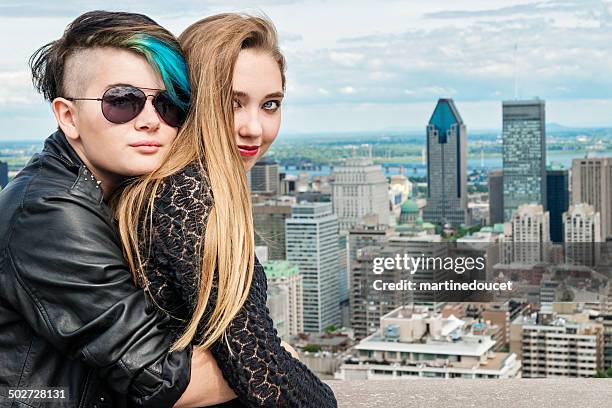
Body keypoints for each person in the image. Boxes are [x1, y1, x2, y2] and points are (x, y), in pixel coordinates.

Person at [0, 11, 236, 408]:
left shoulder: (117, 193)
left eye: (170, 103)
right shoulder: (49, 212)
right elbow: (159, 378)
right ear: (68, 116)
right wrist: (275, 364)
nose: (151, 121)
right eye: (122, 101)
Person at [116, 14, 338, 407]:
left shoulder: (174, 185)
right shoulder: (185, 195)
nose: (254, 127)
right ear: (190, 101)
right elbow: (261, 374)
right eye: (232, 103)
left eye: (270, 104)